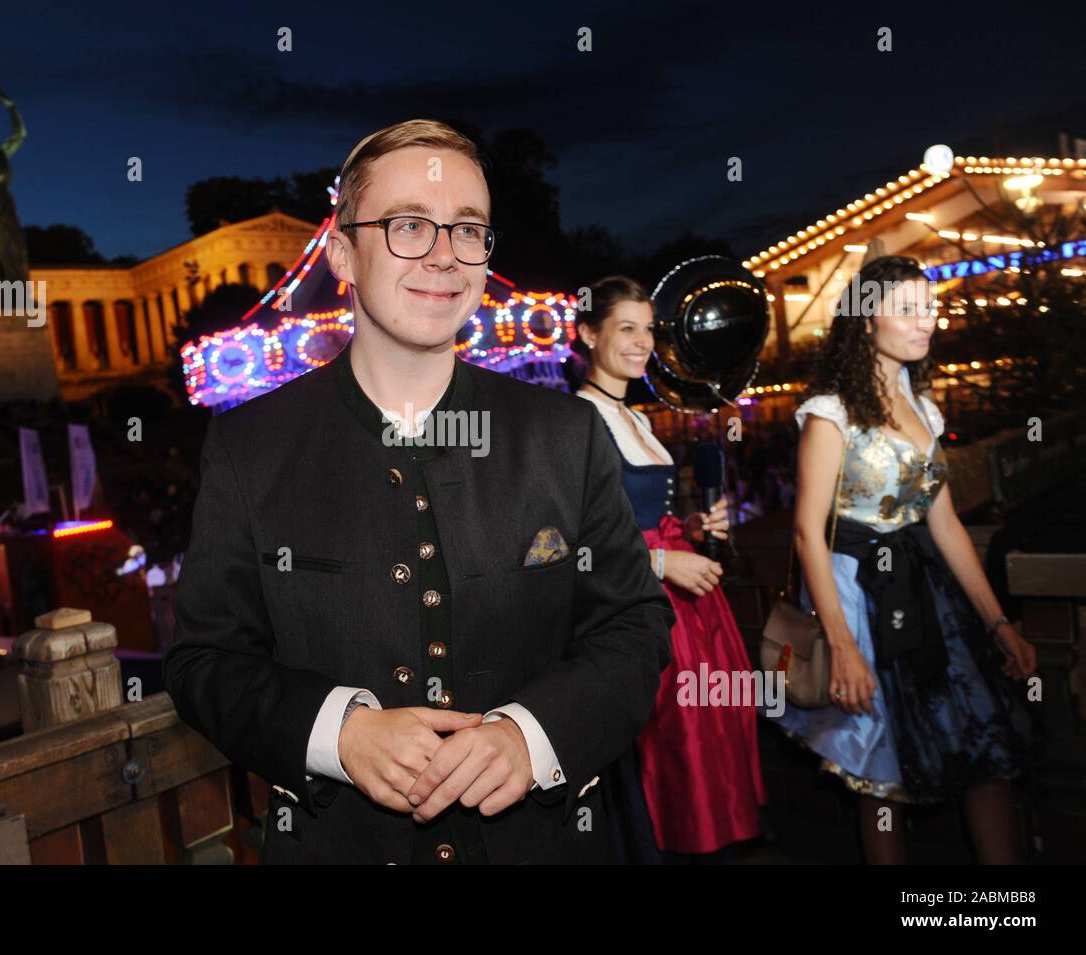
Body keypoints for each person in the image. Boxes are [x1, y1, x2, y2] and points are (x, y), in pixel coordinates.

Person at [165, 120, 674, 864]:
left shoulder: (564, 434)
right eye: (408, 225)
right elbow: (203, 660)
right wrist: (338, 731)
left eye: (468, 230)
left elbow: (634, 628)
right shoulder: (252, 448)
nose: (443, 254)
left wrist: (530, 736)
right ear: (342, 252)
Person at [772, 255, 1038, 864]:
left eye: (932, 307)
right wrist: (841, 645)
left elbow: (943, 525)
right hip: (859, 601)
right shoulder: (830, 411)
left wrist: (997, 622)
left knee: (986, 753)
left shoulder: (924, 406)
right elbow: (808, 533)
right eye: (910, 309)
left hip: (928, 595)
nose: (929, 321)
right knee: (881, 773)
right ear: (866, 320)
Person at [571, 276, 766, 860]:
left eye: (649, 329)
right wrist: (662, 561)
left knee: (710, 748)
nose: (642, 343)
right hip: (640, 606)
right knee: (671, 758)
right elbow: (571, 548)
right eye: (625, 328)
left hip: (693, 609)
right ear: (587, 334)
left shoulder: (640, 420)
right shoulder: (579, 421)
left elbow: (655, 516)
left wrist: (699, 531)